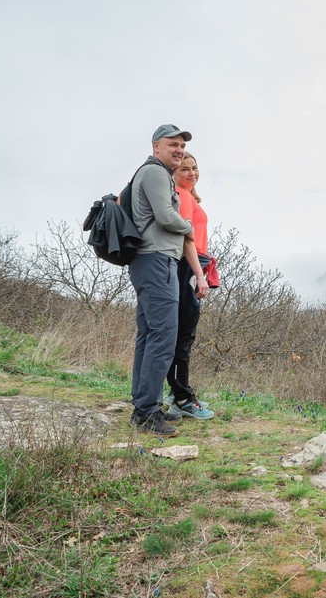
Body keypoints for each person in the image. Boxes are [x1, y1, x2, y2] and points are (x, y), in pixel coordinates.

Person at [129, 125, 209, 437]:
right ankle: (147, 412)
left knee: (149, 334)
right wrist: (187, 226)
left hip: (149, 259)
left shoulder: (154, 174)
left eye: (181, 145)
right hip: (157, 259)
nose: (178, 150)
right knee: (163, 335)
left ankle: (143, 405)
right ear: (156, 146)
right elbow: (165, 216)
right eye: (172, 145)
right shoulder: (155, 173)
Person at [164, 152, 215, 419]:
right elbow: (185, 238)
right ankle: (181, 397)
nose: (192, 173)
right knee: (183, 337)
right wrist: (199, 273)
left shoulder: (189, 195)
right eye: (185, 169)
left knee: (184, 335)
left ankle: (178, 394)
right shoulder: (181, 196)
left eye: (194, 168)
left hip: (193, 266)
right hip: (187, 266)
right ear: (174, 173)